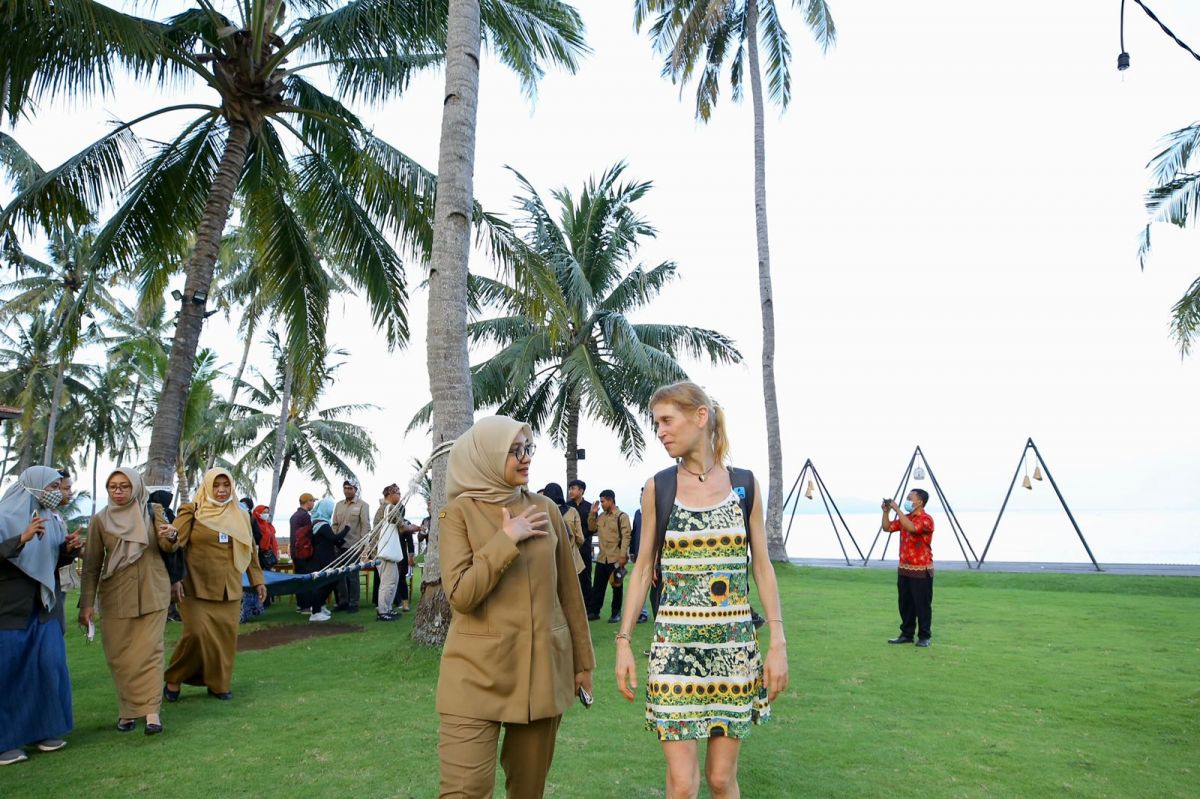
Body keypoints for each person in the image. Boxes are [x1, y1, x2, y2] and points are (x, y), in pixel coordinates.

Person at [615, 382, 789, 799]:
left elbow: (762, 568)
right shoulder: (659, 487)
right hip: (674, 651)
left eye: (667, 420)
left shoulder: (744, 486)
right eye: (656, 423)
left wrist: (778, 641)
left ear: (700, 416)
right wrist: (623, 641)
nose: (660, 431)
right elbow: (641, 571)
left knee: (720, 780)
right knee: (680, 784)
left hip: (733, 652)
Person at [436, 416, 594, 798]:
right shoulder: (458, 513)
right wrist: (506, 539)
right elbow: (461, 595)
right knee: (463, 791)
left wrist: (583, 663)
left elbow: (569, 595)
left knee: (528, 790)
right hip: (474, 675)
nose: (525, 458)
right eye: (515, 450)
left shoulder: (546, 509)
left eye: (528, 448)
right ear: (487, 455)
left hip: (541, 671)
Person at [78, 468, 177, 734]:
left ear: (135, 487)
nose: (118, 491)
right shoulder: (100, 520)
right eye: (113, 487)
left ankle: (151, 712)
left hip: (152, 589)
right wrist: (86, 604)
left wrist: (171, 536)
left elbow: (168, 547)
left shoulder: (152, 510)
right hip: (116, 593)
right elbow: (91, 565)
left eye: (124, 486)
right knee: (120, 656)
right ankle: (127, 710)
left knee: (150, 651)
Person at [0, 465, 84, 766]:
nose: (55, 493)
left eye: (56, 488)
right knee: (8, 674)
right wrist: (20, 539)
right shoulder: (3, 516)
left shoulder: (52, 518)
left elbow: (49, 560)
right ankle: (4, 741)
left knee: (49, 666)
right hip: (9, 610)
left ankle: (45, 730)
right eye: (50, 487)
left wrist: (69, 549)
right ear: (32, 486)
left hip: (45, 606)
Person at [164, 469, 266, 702]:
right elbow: (174, 541)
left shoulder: (241, 515)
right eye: (217, 485)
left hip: (229, 586)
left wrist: (257, 580)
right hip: (195, 586)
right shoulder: (192, 510)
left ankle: (219, 684)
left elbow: (249, 549)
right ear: (208, 486)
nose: (221, 490)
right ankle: (174, 678)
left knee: (225, 638)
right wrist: (170, 536)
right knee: (196, 634)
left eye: (226, 485)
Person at [881, 488, 935, 647]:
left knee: (922, 605)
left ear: (920, 502)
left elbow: (912, 528)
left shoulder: (926, 519)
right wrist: (886, 512)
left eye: (910, 498)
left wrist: (897, 509)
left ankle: (924, 636)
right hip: (904, 568)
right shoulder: (907, 518)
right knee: (905, 604)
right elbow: (887, 527)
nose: (907, 500)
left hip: (921, 570)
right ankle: (907, 634)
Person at [372, 484, 418, 620]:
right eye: (398, 493)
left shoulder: (383, 509)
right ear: (391, 493)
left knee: (393, 579)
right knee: (388, 582)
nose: (400, 496)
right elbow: (403, 527)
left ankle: (387, 608)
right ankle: (383, 611)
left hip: (382, 550)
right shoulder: (391, 508)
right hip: (384, 551)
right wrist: (415, 528)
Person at [587, 490, 631, 623]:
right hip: (602, 558)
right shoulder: (601, 516)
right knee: (598, 587)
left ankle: (616, 613)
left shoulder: (622, 516)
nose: (601, 504)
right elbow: (591, 528)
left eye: (603, 501)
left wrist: (623, 556)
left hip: (615, 558)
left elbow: (626, 537)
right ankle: (594, 611)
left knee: (617, 587)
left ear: (611, 500)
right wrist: (592, 513)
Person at [147, 486, 186, 622]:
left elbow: (172, 541)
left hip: (168, 556)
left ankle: (170, 611)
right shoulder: (151, 512)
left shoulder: (164, 513)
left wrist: (172, 537)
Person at [333, 480, 369, 612]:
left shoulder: (363, 505)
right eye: (345, 488)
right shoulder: (338, 505)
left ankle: (354, 603)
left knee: (353, 575)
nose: (347, 490)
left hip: (354, 546)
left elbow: (365, 525)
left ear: (355, 490)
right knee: (340, 575)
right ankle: (343, 602)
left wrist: (362, 544)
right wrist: (335, 539)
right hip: (339, 545)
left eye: (350, 488)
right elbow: (335, 524)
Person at [307, 498, 345, 623]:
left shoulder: (318, 523)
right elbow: (333, 538)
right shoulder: (322, 525)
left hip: (324, 557)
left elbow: (329, 540)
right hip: (323, 559)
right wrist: (347, 529)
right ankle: (315, 612)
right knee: (324, 583)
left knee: (331, 581)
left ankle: (320, 605)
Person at [539, 483, 586, 577]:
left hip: (549, 561)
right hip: (571, 561)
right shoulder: (572, 511)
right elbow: (580, 539)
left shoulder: (541, 512)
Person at [566, 479, 593, 605]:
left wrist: (581, 537)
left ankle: (588, 606)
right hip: (570, 547)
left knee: (586, 577)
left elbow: (592, 528)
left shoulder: (589, 507)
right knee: (570, 577)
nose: (570, 491)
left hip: (585, 546)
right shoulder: (567, 506)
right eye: (570, 488)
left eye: (573, 488)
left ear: (581, 490)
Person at [290, 493, 316, 614]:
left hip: (295, 552)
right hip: (303, 552)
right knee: (305, 579)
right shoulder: (305, 516)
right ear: (308, 502)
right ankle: (306, 606)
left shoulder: (294, 515)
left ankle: (301, 604)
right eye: (312, 501)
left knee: (299, 579)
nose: (313, 504)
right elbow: (308, 535)